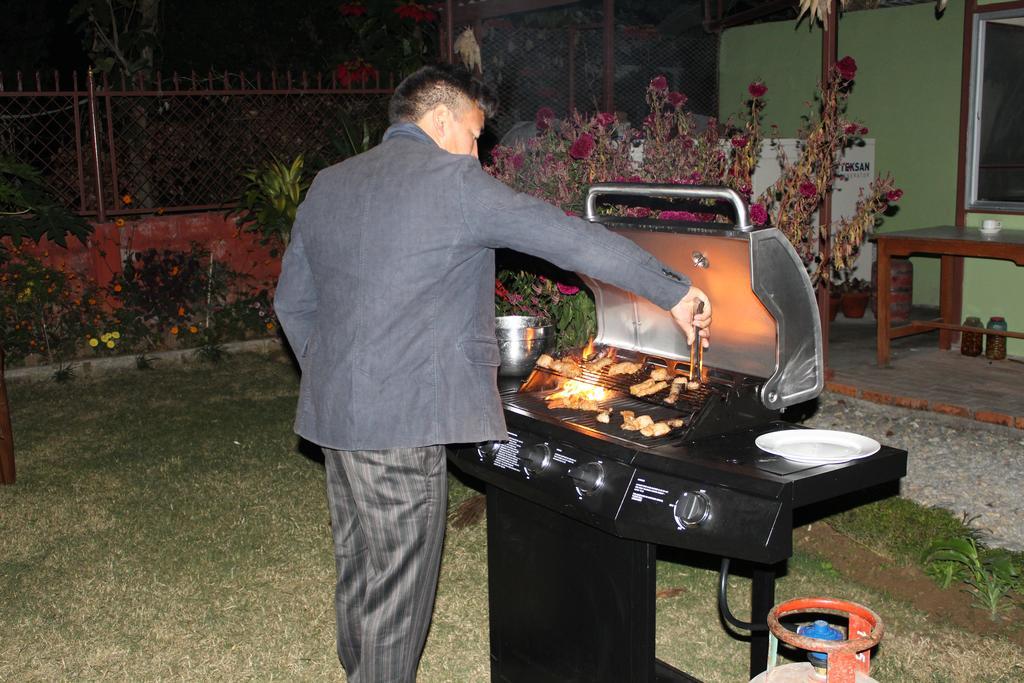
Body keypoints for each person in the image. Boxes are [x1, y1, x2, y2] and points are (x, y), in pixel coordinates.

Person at [273, 64, 711, 683]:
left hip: (337, 411)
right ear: (441, 119)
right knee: (398, 586)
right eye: (476, 135)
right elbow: (569, 239)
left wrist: (329, 373)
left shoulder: (331, 182)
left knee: (361, 563)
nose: (479, 152)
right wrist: (674, 290)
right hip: (403, 421)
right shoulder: (455, 182)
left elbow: (293, 301)